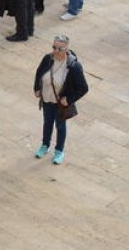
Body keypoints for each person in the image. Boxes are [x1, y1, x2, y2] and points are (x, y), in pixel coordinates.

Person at [33, 35, 89, 165]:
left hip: (60, 103)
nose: (55, 51)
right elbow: (39, 73)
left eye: (59, 48)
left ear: (66, 49)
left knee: (60, 125)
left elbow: (83, 88)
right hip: (47, 98)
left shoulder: (73, 66)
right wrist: (37, 88)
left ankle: (59, 151)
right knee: (47, 122)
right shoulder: (48, 59)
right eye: (54, 47)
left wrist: (69, 99)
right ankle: (45, 145)